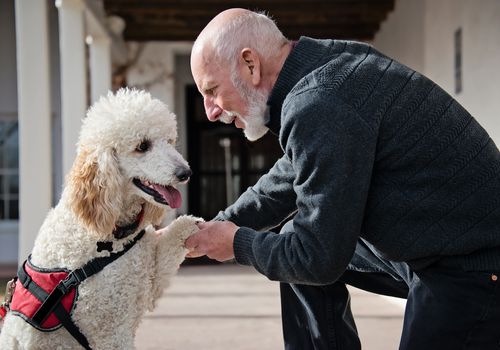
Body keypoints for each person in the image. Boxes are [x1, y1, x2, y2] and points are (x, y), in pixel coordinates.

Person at [184, 8, 500, 350]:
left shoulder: (319, 101)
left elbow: (317, 258)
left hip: (474, 267)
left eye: (212, 90)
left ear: (250, 64)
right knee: (293, 240)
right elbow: (286, 178)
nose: (210, 110)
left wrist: (236, 243)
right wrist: (212, 227)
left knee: (304, 254)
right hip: (435, 248)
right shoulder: (327, 65)